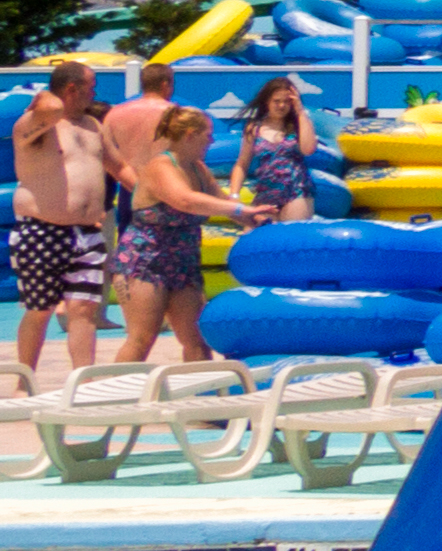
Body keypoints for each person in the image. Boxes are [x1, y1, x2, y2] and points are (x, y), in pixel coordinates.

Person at [101, 61, 234, 365]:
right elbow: (184, 201)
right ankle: (105, 402)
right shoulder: (164, 159)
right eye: (207, 135)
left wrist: (257, 217)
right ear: (167, 85)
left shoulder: (116, 115)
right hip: (146, 255)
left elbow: (113, 161)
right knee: (142, 337)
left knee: (197, 339)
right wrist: (150, 186)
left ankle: (205, 404)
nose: (212, 141)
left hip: (178, 251)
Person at [16, 58, 116, 383]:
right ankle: (24, 380)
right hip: (43, 230)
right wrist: (51, 100)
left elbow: (118, 166)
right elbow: (47, 106)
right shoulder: (34, 125)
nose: (95, 93)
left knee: (85, 310)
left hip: (88, 233)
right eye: (91, 86)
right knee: (40, 310)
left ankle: (83, 381)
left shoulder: (92, 126)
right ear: (72, 89)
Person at [236, 76, 319, 226]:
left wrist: (300, 112)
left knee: (291, 235)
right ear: (267, 102)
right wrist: (234, 194)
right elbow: (242, 164)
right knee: (257, 238)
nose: (281, 105)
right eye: (276, 101)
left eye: (287, 101)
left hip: (296, 189)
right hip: (267, 191)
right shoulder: (254, 128)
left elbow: (308, 149)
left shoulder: (298, 125)